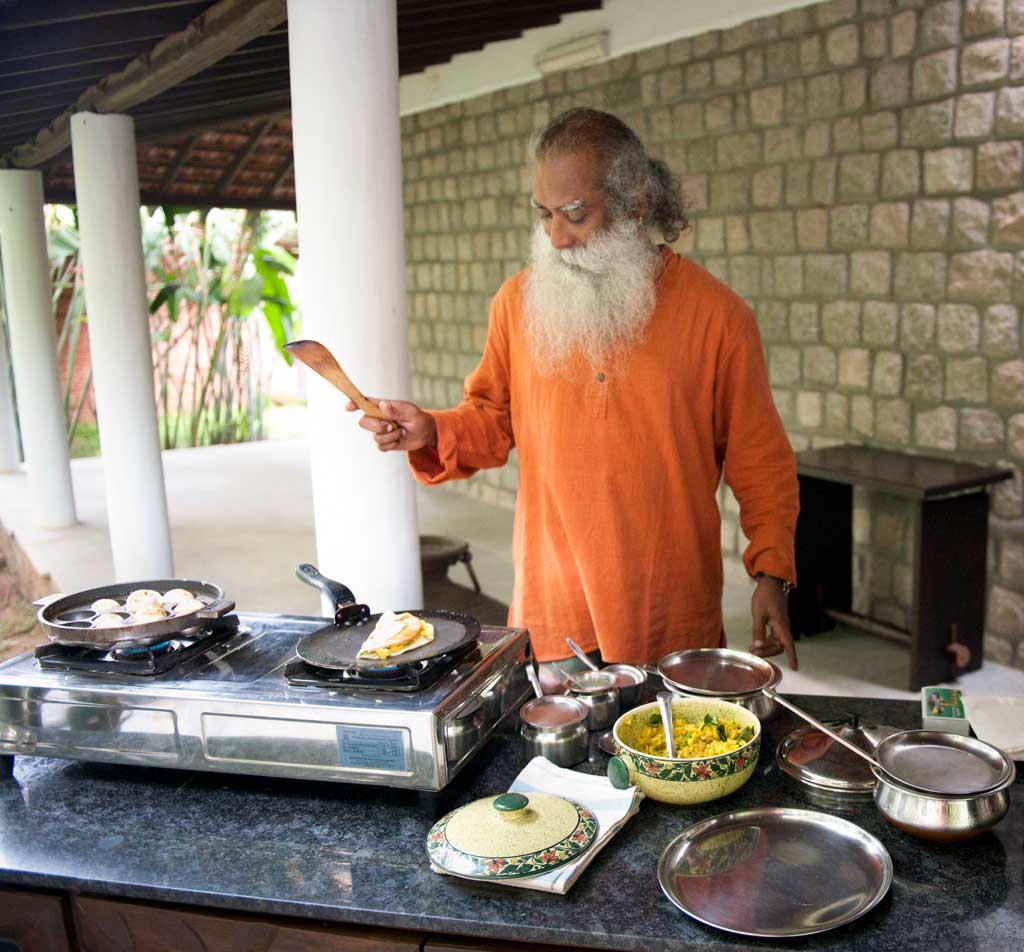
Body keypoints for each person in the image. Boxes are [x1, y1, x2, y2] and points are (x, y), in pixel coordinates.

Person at [348, 108, 800, 677]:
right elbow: (492, 419)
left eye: (576, 214)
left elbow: (760, 460)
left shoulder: (718, 316)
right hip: (555, 611)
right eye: (544, 214)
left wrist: (771, 573)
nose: (557, 238)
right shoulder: (517, 303)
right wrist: (432, 429)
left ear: (636, 204)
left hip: (670, 614)